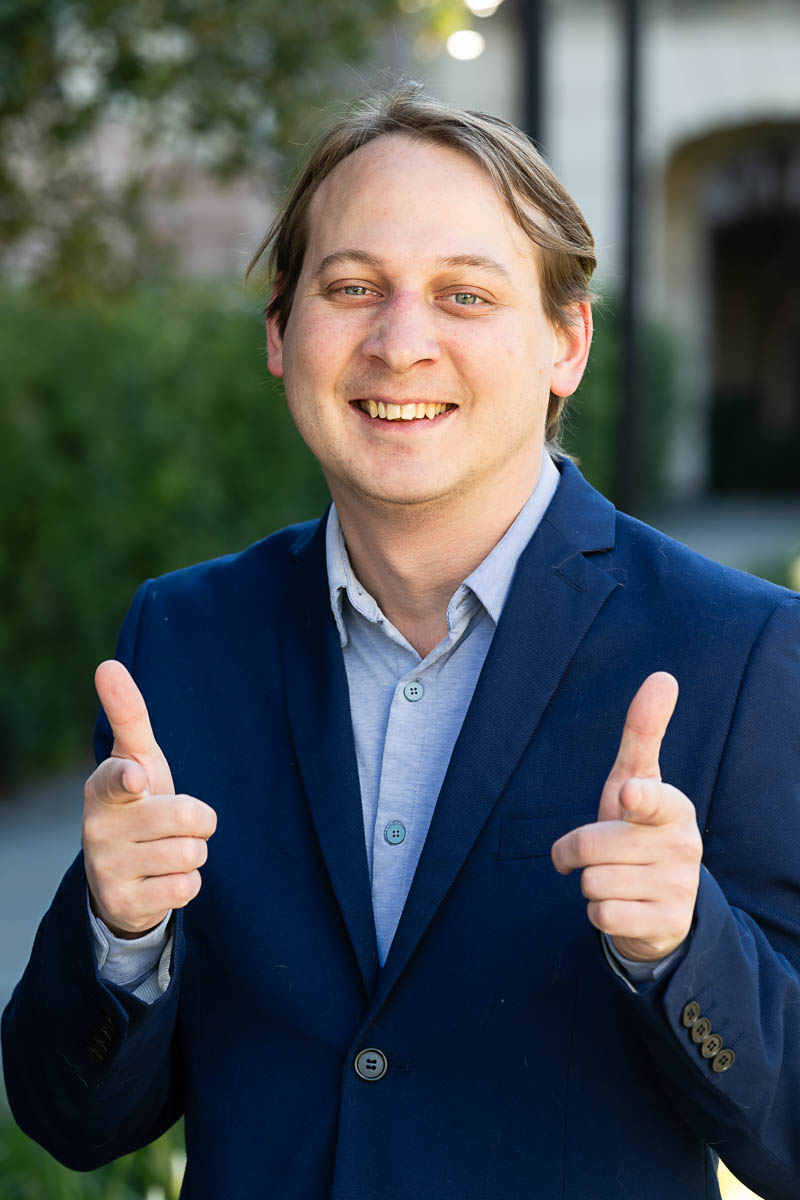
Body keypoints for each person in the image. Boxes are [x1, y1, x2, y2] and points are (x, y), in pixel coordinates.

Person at [3, 84, 800, 1200]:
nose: (401, 343)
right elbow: (72, 1118)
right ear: (280, 335)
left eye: (464, 295)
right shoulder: (182, 640)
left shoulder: (739, 650)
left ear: (566, 342)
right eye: (351, 288)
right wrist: (119, 934)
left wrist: (681, 947)